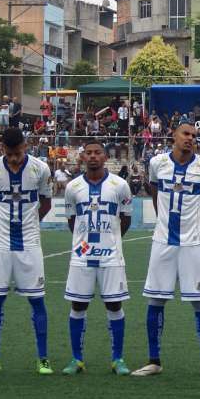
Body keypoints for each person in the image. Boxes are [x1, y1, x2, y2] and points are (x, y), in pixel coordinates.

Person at [134, 123, 200, 378]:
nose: (190, 139)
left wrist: (199, 232)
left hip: (193, 244)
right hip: (163, 242)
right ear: (174, 136)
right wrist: (163, 221)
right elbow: (153, 190)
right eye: (186, 134)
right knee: (156, 299)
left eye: (194, 136)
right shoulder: (158, 163)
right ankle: (154, 360)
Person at [0, 127, 54, 375]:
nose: (14, 158)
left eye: (18, 153)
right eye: (9, 153)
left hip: (30, 244)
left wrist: (30, 223)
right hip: (0, 245)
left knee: (37, 300)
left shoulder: (40, 169)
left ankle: (43, 358)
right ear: (2, 149)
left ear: (26, 146)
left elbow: (46, 203)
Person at [60, 140, 133, 376]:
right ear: (82, 157)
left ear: (104, 157)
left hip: (111, 256)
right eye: (88, 153)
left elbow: (126, 219)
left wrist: (109, 241)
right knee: (78, 304)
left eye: (97, 153)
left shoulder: (119, 185)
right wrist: (86, 243)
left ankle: (118, 359)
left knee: (114, 304)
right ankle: (76, 359)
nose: (93, 156)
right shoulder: (72, 187)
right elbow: (73, 221)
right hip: (82, 256)